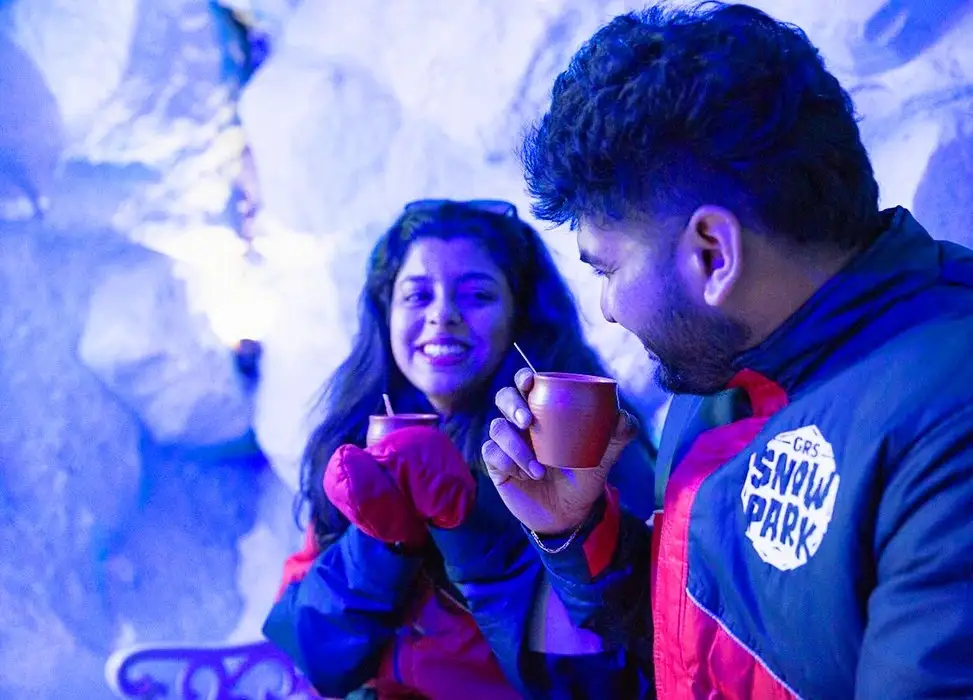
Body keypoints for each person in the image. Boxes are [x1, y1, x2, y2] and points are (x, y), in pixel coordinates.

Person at [481, 3, 973, 699]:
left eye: (606, 268)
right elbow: (690, 647)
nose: (607, 308)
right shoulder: (721, 371)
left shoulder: (949, 425)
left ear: (712, 253)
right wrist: (575, 531)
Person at [262, 199, 657, 699]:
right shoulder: (359, 435)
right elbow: (312, 655)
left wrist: (467, 523)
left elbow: (600, 682)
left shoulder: (577, 439)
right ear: (385, 313)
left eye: (477, 295)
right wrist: (383, 543)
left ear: (520, 313)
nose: (443, 315)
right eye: (416, 295)